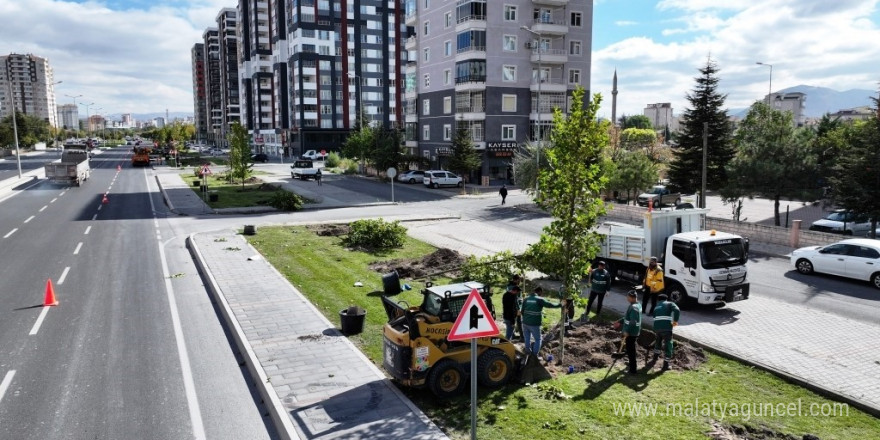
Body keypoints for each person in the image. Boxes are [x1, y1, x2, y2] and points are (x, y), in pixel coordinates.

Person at [520, 286, 564, 356]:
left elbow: (522, 312)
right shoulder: (539, 299)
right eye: (542, 293)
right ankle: (534, 355)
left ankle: (527, 352)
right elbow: (549, 305)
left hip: (525, 323)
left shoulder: (526, 299)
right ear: (540, 292)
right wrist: (560, 305)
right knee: (538, 340)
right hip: (534, 324)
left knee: (527, 338)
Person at [615, 290, 642, 375]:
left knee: (631, 350)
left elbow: (633, 322)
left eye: (628, 297)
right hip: (633, 331)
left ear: (631, 297)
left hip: (631, 332)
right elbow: (628, 318)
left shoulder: (634, 308)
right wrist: (620, 321)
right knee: (630, 349)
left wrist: (627, 331)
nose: (627, 298)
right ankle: (631, 364)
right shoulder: (637, 304)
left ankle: (633, 370)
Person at [651, 293, 680, 371]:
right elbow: (677, 310)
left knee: (658, 343)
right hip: (666, 329)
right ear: (666, 299)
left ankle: (654, 359)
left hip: (657, 328)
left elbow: (654, 317)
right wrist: (675, 321)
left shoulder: (656, 307)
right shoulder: (670, 303)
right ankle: (666, 365)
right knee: (668, 344)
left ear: (658, 300)